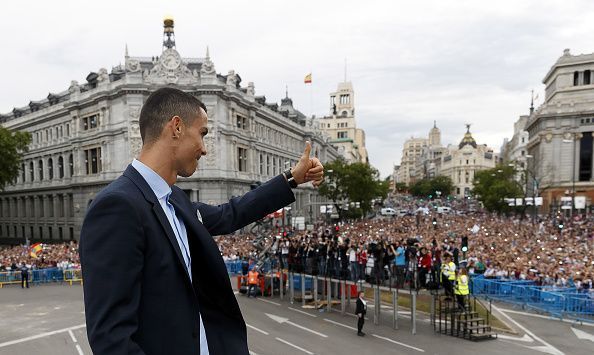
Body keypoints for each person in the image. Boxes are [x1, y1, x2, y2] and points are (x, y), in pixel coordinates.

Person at [79, 88, 324, 355]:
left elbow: (231, 213)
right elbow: (111, 339)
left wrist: (293, 179)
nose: (205, 149)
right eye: (203, 133)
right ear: (176, 128)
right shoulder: (118, 206)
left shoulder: (173, 198)